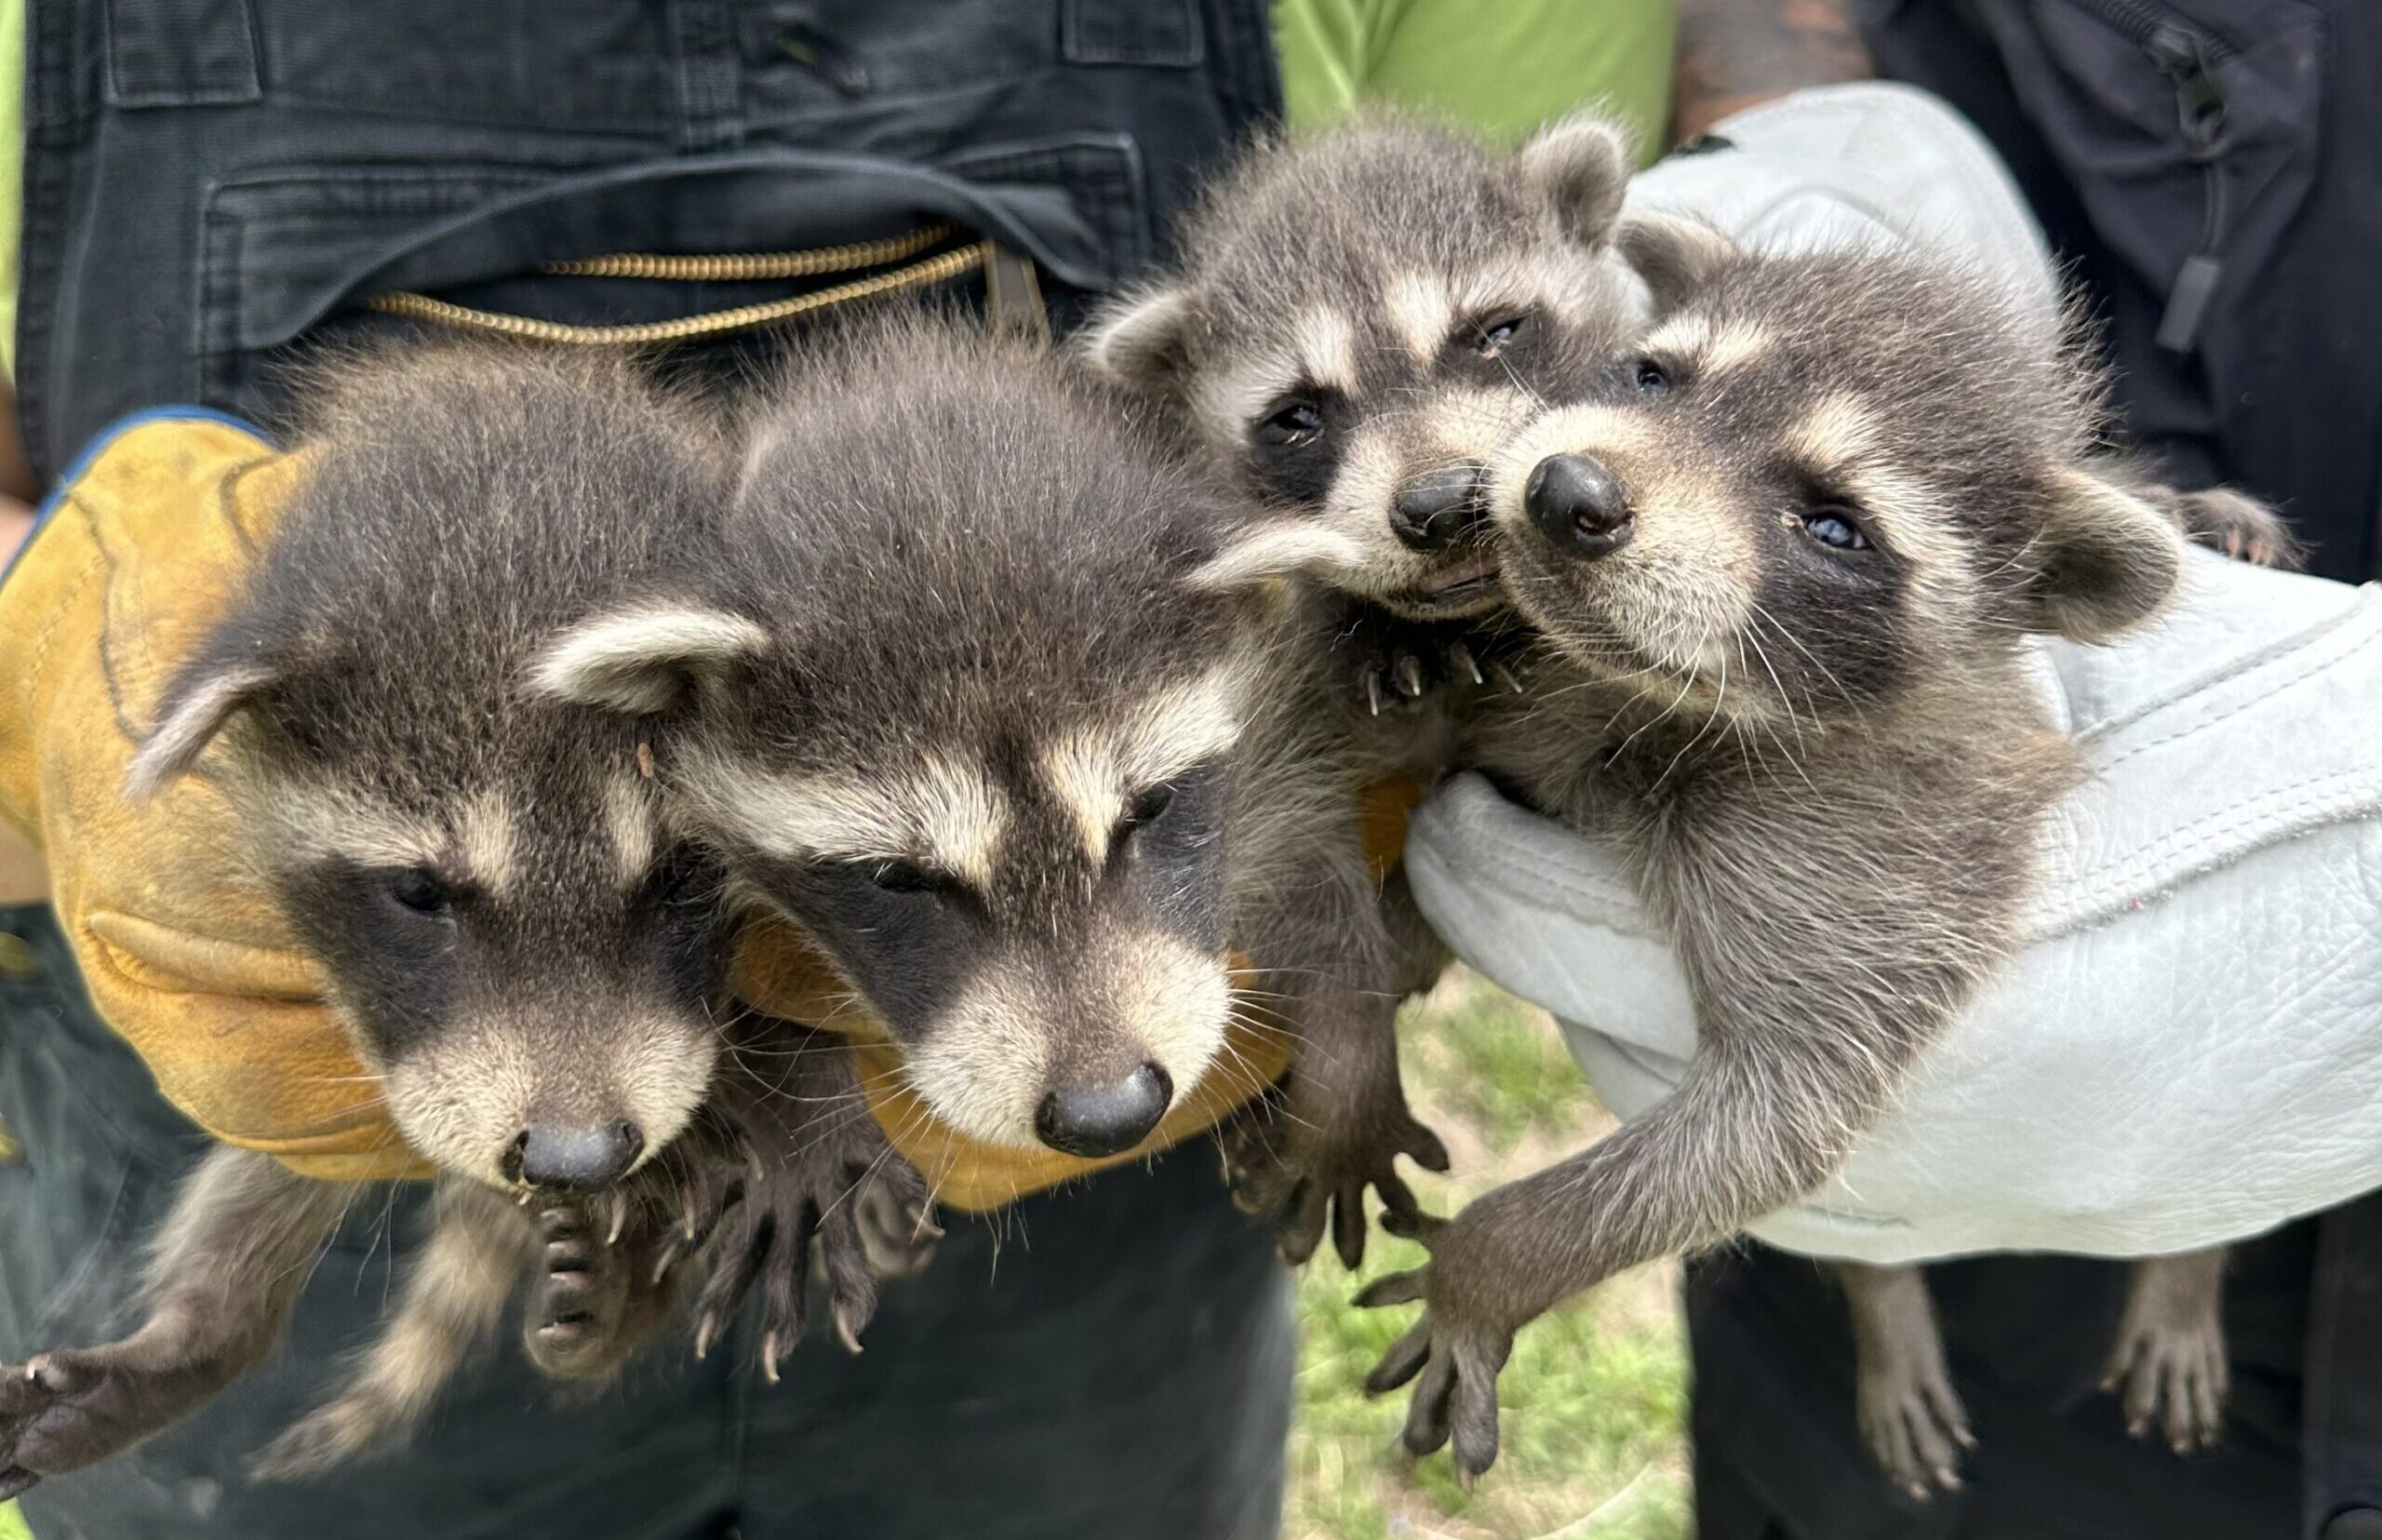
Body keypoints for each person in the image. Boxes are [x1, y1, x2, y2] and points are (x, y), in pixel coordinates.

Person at [0, 4, 1679, 1537]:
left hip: (1088, 1268)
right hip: (260, 1035)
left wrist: (1376, 810)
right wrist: (30, 693)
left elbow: (1589, 430)